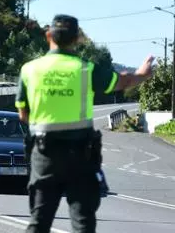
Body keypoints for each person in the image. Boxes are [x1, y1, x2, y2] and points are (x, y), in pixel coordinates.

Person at [15, 14, 154, 233]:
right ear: (77, 39)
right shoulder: (86, 69)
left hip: (44, 154)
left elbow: (23, 114)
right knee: (83, 223)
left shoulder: (30, 70)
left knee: (39, 221)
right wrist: (142, 75)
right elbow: (123, 80)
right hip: (80, 155)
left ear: (48, 35)